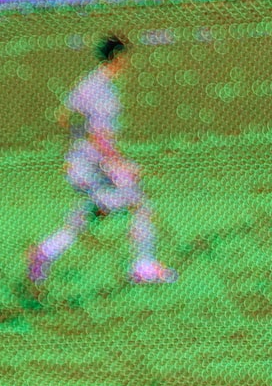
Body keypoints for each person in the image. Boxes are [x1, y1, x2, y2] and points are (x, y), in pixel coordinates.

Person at [29, 34, 174, 288]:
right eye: (126, 57)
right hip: (95, 167)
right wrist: (122, 165)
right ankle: (143, 267)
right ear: (118, 57)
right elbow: (100, 138)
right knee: (139, 205)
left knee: (92, 214)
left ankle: (44, 253)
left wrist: (75, 146)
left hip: (78, 164)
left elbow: (64, 116)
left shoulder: (88, 83)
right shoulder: (105, 93)